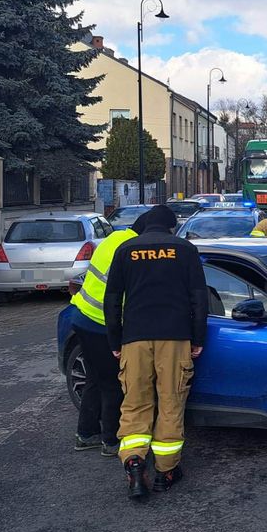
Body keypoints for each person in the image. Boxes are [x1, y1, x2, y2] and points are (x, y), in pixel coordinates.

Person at [104, 204, 208, 501]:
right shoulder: (185, 249)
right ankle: (166, 471)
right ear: (171, 226)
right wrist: (197, 338)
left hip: (134, 338)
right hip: (175, 338)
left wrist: (115, 341)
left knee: (135, 402)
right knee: (170, 401)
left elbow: (112, 301)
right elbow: (199, 299)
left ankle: (134, 463)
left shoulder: (125, 250)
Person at [69, 212, 146, 455]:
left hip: (81, 314)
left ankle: (86, 434)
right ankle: (111, 442)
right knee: (113, 382)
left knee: (94, 379)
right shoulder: (132, 250)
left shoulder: (115, 238)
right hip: (100, 321)